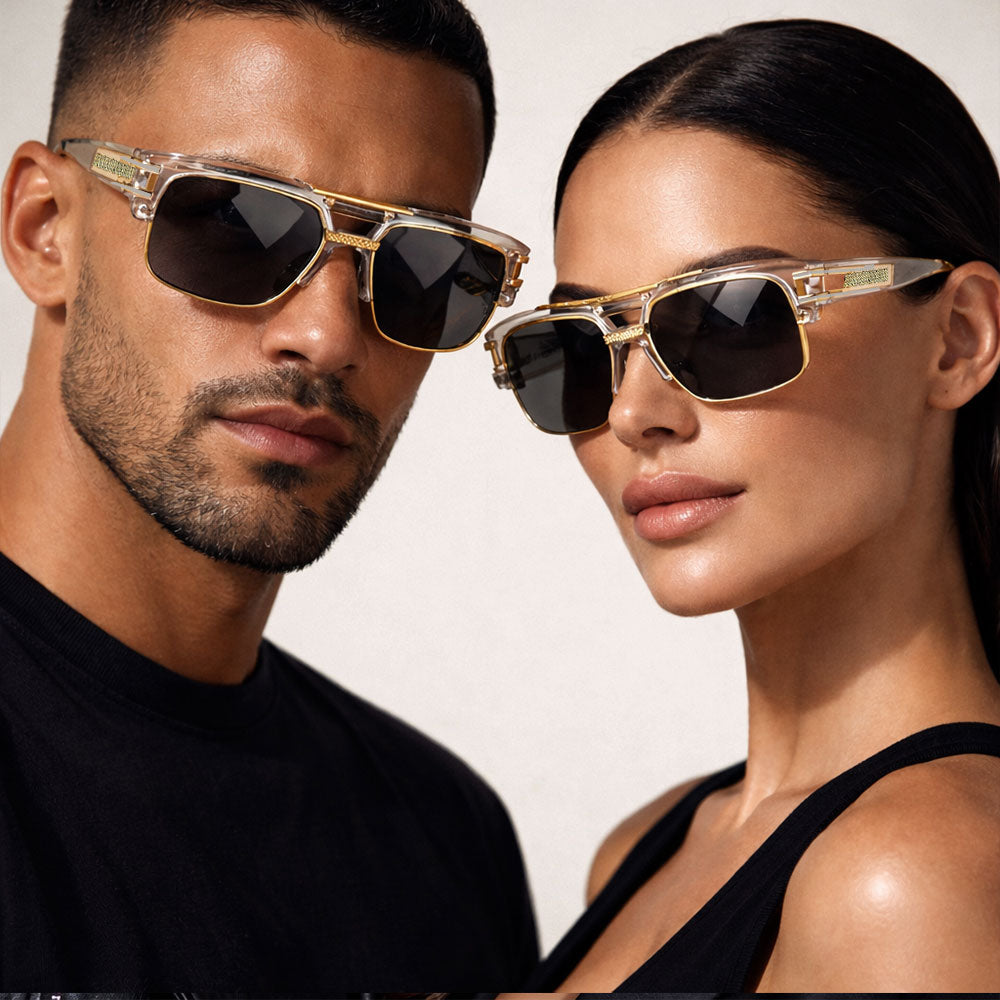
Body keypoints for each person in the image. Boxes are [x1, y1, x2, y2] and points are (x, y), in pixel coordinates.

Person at [0, 0, 538, 989]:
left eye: (421, 268)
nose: (328, 337)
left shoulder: (443, 840)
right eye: (237, 222)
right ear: (45, 231)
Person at [484, 18, 1000, 994]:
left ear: (958, 339)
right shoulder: (645, 849)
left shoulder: (915, 875)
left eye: (727, 317)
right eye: (579, 351)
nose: (637, 412)